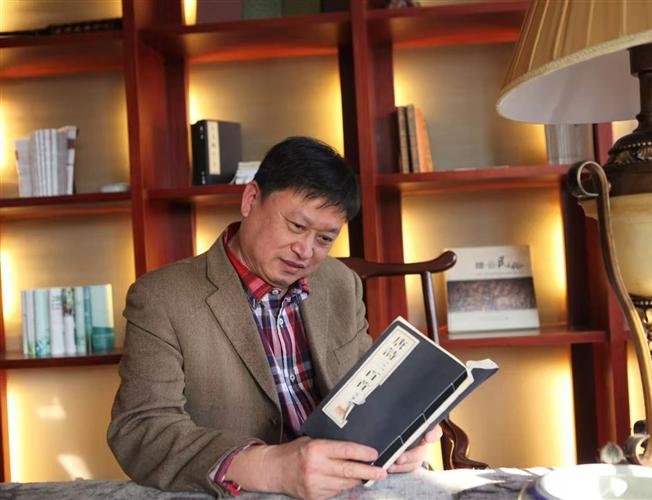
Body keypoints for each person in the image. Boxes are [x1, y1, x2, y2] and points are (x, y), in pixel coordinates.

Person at [107, 136, 441, 498]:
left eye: (325, 239)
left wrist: (405, 433)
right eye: (296, 226)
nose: (305, 251)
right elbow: (140, 429)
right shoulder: (162, 297)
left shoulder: (339, 282)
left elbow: (369, 390)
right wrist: (268, 465)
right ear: (250, 199)